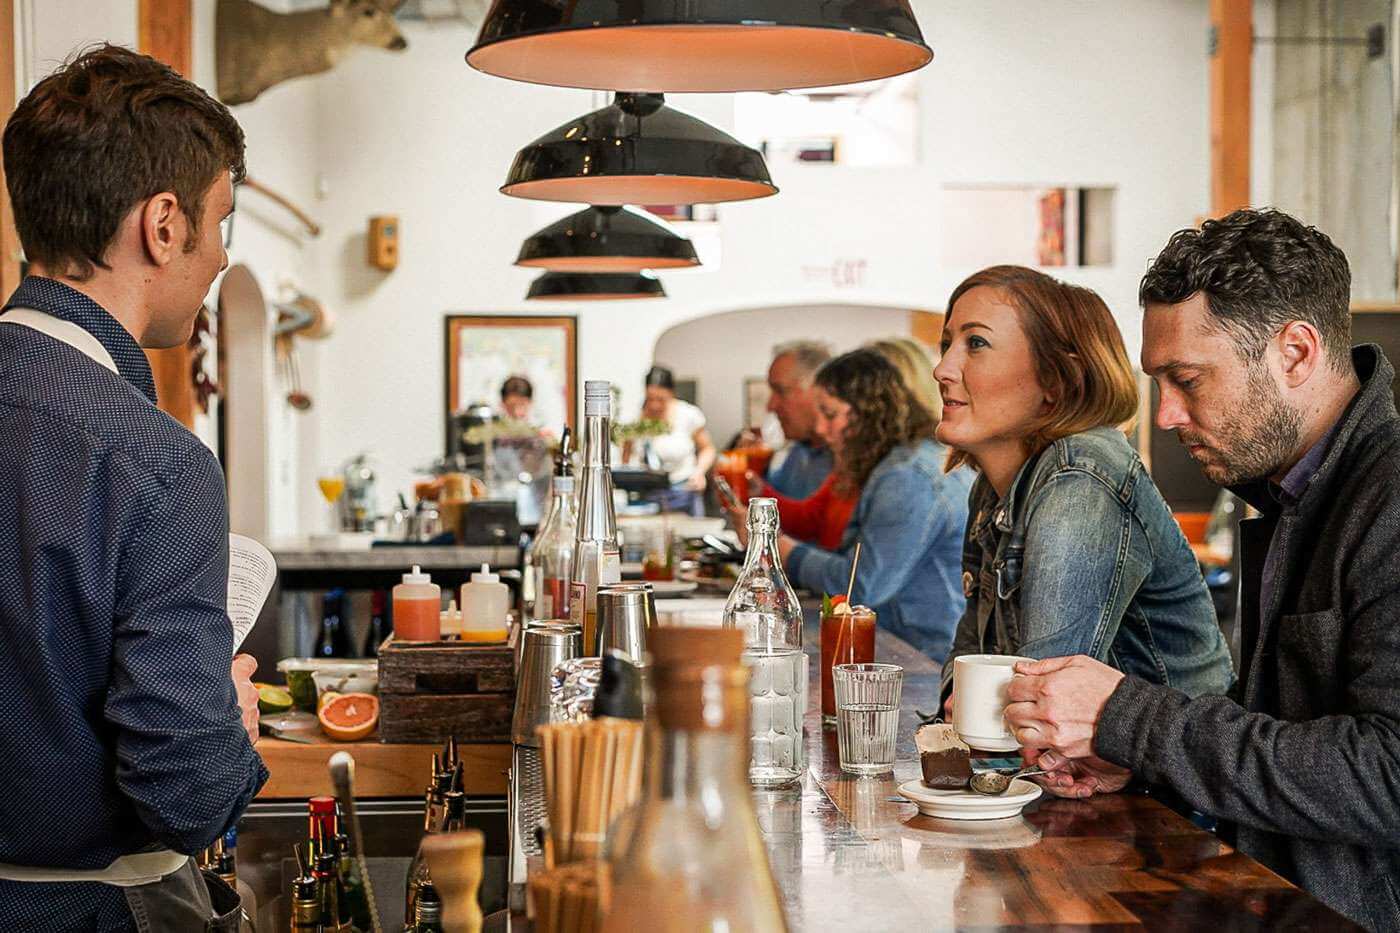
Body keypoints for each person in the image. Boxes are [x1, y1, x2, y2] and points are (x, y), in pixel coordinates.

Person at [1003, 209, 1400, 931]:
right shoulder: (1293, 494)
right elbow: (1278, 741)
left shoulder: (1388, 498)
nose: (1167, 415)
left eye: (1186, 379)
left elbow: (1386, 776)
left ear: (1297, 352)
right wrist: (1138, 757)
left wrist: (1128, 715)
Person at [0, 46, 265, 931]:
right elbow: (188, 794)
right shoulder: (157, 463)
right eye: (220, 220)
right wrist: (230, 715)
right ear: (162, 224)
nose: (223, 256)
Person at [934, 265, 1233, 705]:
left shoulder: (1080, 477)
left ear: (1056, 381)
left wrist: (968, 708)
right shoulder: (993, 489)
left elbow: (1040, 700)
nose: (942, 368)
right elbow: (969, 661)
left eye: (975, 343)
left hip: (1160, 770)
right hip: (1071, 766)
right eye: (947, 344)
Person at [734, 348, 973, 660]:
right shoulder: (898, 464)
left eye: (830, 415)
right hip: (903, 647)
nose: (820, 428)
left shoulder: (908, 477)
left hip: (920, 658)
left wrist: (780, 548)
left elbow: (861, 586)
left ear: (870, 412)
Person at [753, 338, 937, 550]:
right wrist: (758, 493)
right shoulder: (858, 459)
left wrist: (787, 554)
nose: (821, 428)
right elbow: (812, 518)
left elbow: (860, 577)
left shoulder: (907, 473)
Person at [635, 365, 716, 516]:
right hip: (650, 495)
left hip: (684, 492)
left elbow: (708, 449)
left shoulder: (688, 415)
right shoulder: (640, 417)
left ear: (671, 393)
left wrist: (699, 472)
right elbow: (628, 454)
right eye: (650, 398)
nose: (655, 405)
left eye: (661, 399)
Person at [762, 340, 834, 498]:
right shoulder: (798, 451)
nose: (770, 406)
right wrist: (759, 466)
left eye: (780, 391)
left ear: (819, 391)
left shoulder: (849, 463)